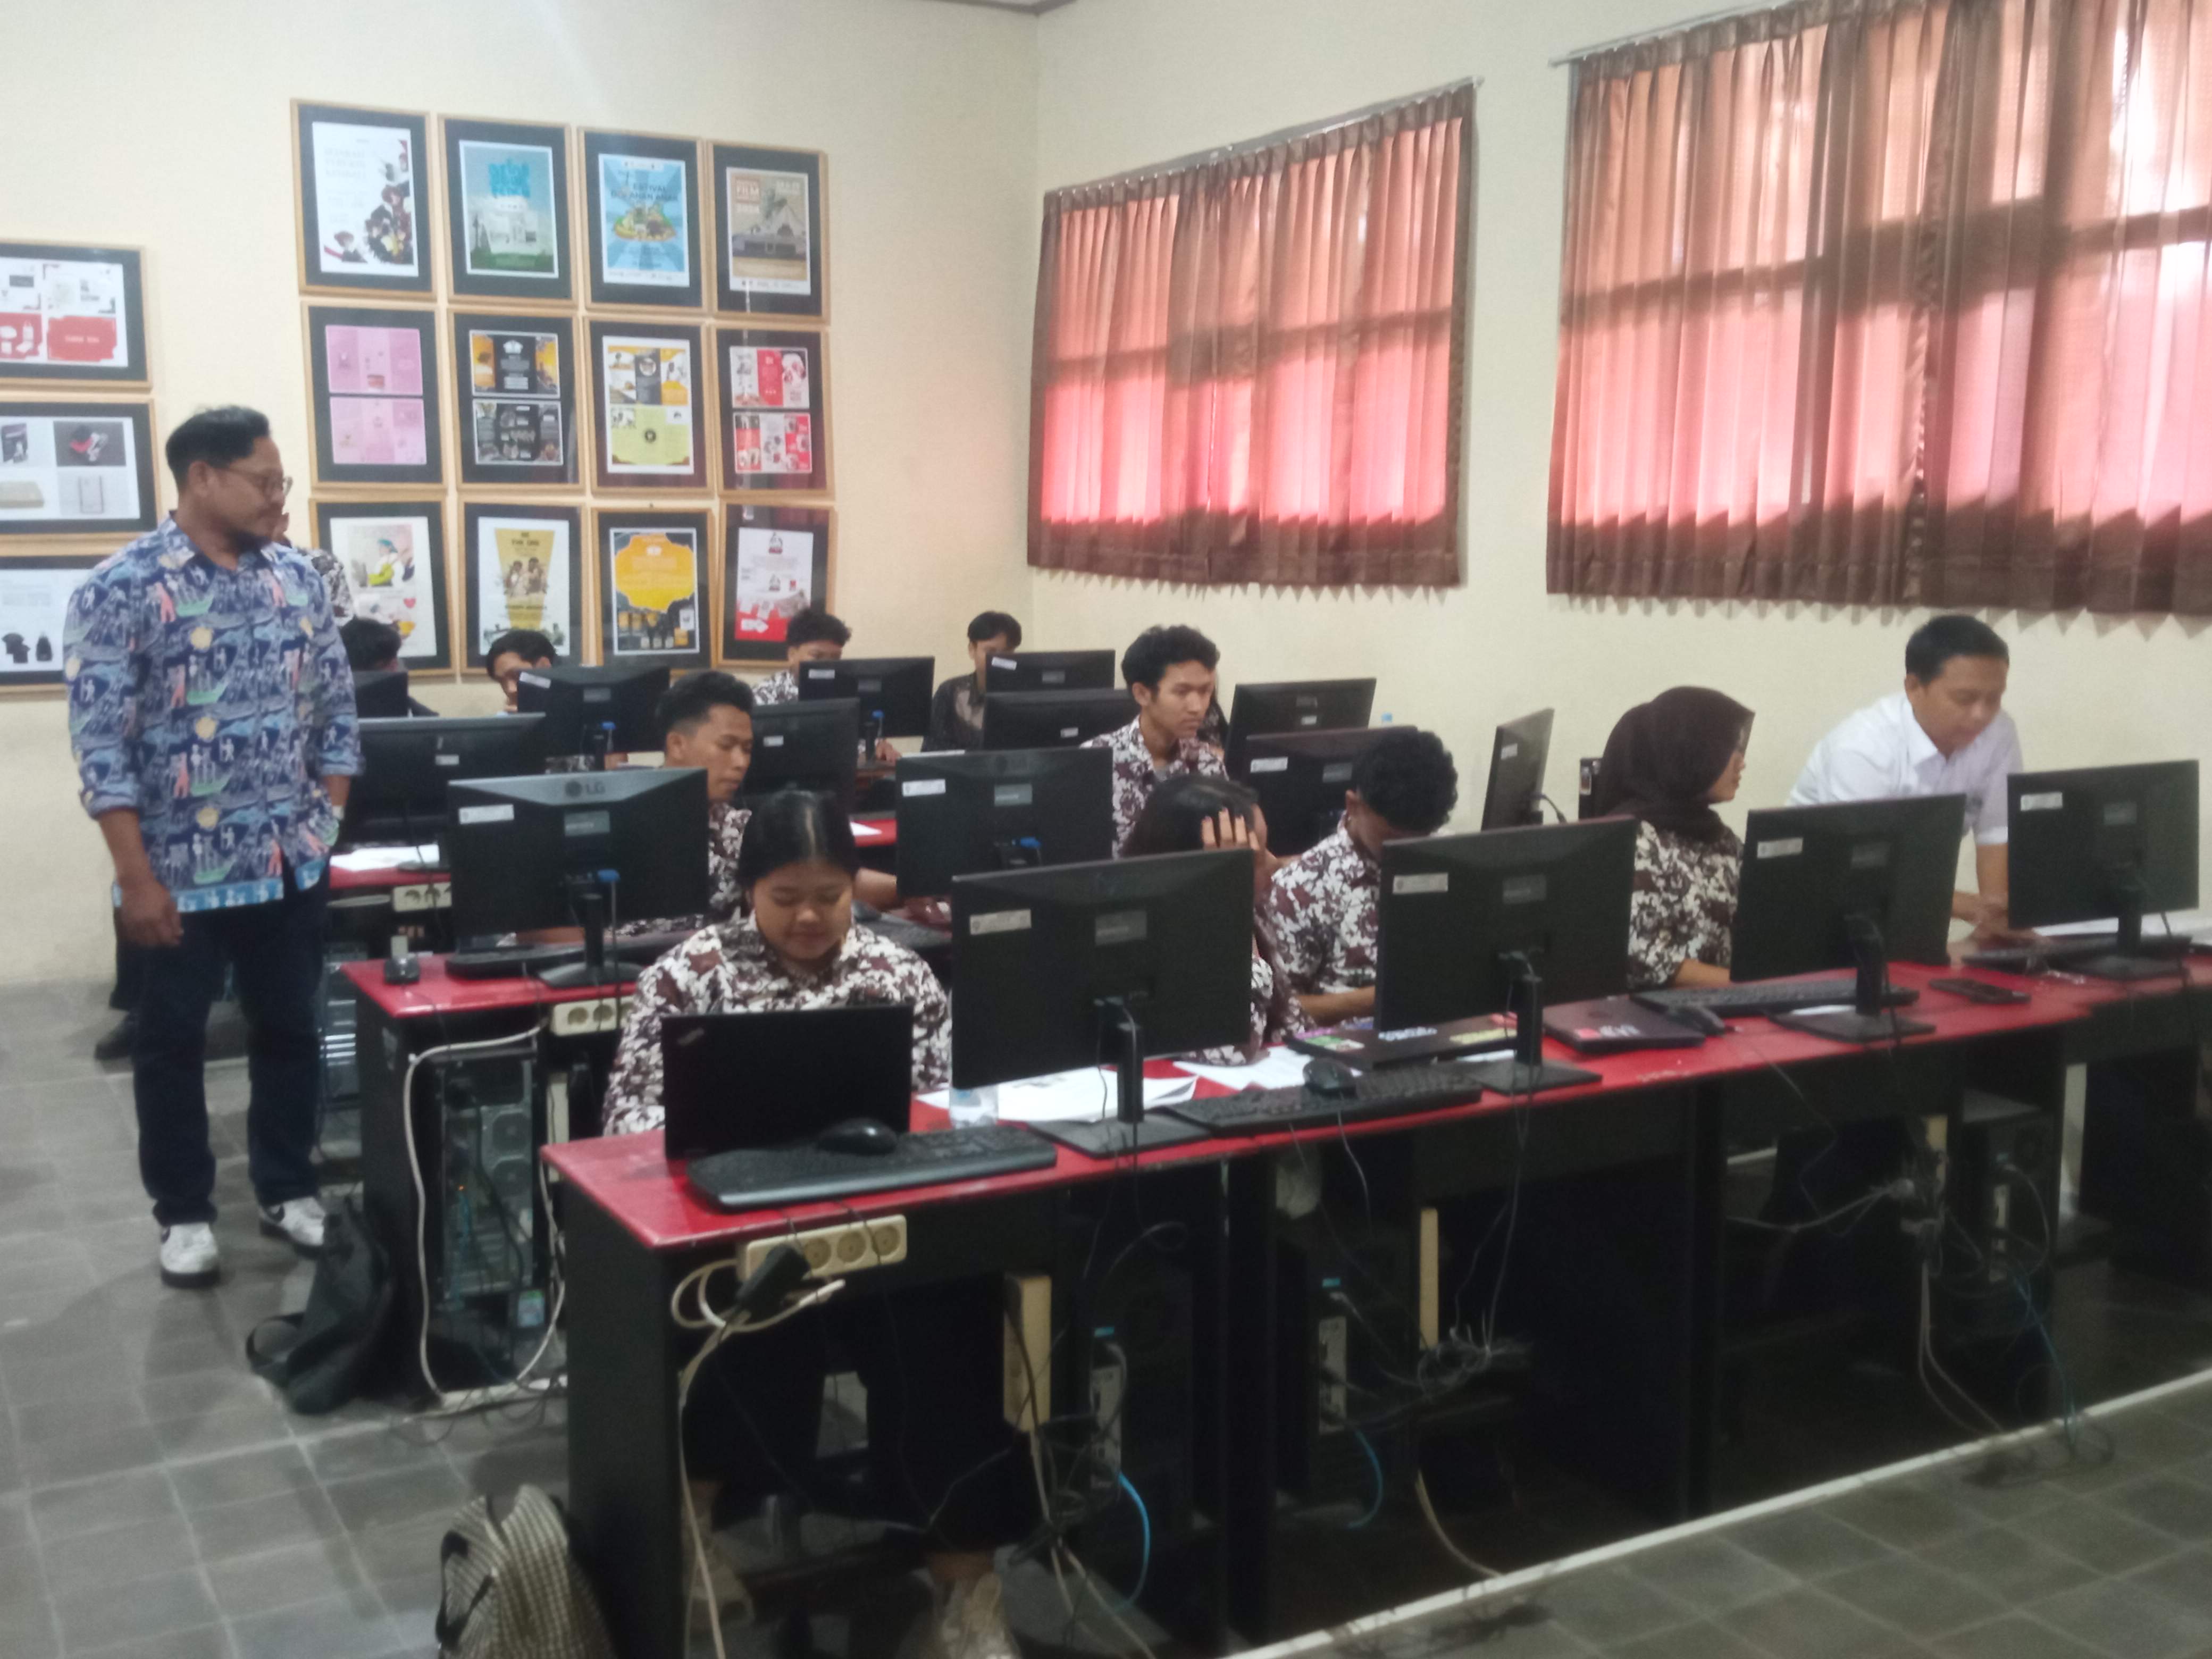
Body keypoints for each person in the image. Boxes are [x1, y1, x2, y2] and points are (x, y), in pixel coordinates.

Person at [600, 792, 1026, 1658]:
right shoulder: (689, 977)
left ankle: (966, 1589)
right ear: (747, 889)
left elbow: (942, 1109)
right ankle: (694, 1526)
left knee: (955, 1326)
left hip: (885, 1228)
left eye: (829, 896)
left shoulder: (899, 974)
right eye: (785, 897)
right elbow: (628, 1130)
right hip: (736, 1234)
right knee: (753, 1316)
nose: (808, 917)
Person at [64, 406, 357, 1288]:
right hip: (177, 878)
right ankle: (185, 1213)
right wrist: (135, 880)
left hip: (288, 863)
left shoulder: (298, 579)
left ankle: (288, 1187)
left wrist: (325, 826)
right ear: (202, 477)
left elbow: (337, 710)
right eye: (264, 482)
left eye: (281, 482)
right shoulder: (121, 587)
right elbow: (102, 751)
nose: (278, 498)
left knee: (291, 1030)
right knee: (171, 1046)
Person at [1789, 615, 2023, 934]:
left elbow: (1996, 832)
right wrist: (1965, 906)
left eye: (1994, 699)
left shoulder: (1999, 732)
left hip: (1913, 899)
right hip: (1819, 899)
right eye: (1965, 699)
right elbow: (1862, 865)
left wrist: (1994, 927)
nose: (1982, 714)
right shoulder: (1862, 747)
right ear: (1913, 688)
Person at [1265, 727, 1460, 1024]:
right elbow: (1277, 1010)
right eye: (1391, 839)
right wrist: (1377, 999)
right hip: (1349, 1042)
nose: (1405, 852)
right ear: (1354, 806)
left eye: (1420, 839)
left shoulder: (1450, 859)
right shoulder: (1302, 887)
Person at [1122, 774, 1297, 1061]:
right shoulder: (1146, 940)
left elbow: (1291, 1025)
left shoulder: (1256, 910)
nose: (1275, 864)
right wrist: (1230, 905)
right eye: (1255, 857)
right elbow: (1234, 1048)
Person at [1590, 689, 1754, 991]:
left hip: (1725, 1004)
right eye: (1730, 749)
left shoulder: (1718, 837)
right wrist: (1754, 988)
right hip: (1658, 1012)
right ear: (1691, 753)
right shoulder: (1635, 843)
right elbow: (1645, 960)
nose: (1741, 762)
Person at [608, 671, 756, 939]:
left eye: (747, 749)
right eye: (726, 746)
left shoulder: (740, 828)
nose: (741, 762)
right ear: (677, 745)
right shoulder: (617, 818)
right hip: (619, 962)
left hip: (707, 962)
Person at [1084, 624, 1227, 850]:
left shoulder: (1208, 764)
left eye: (1205, 691)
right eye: (1182, 692)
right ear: (1142, 694)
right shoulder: (1094, 762)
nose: (1197, 707)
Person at [752, 606, 899, 764]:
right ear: (792, 655)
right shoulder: (765, 694)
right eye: (817, 656)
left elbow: (867, 744)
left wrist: (878, 748)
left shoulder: (850, 692)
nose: (827, 665)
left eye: (835, 658)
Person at [925, 609, 1021, 751]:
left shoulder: (1025, 692)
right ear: (972, 650)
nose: (998, 659)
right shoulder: (950, 692)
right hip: (959, 766)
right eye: (990, 651)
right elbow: (931, 749)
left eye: (1007, 652)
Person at [484, 627, 558, 712]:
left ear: (544, 666)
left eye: (517, 675)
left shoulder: (570, 709)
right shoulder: (505, 718)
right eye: (501, 682)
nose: (511, 690)